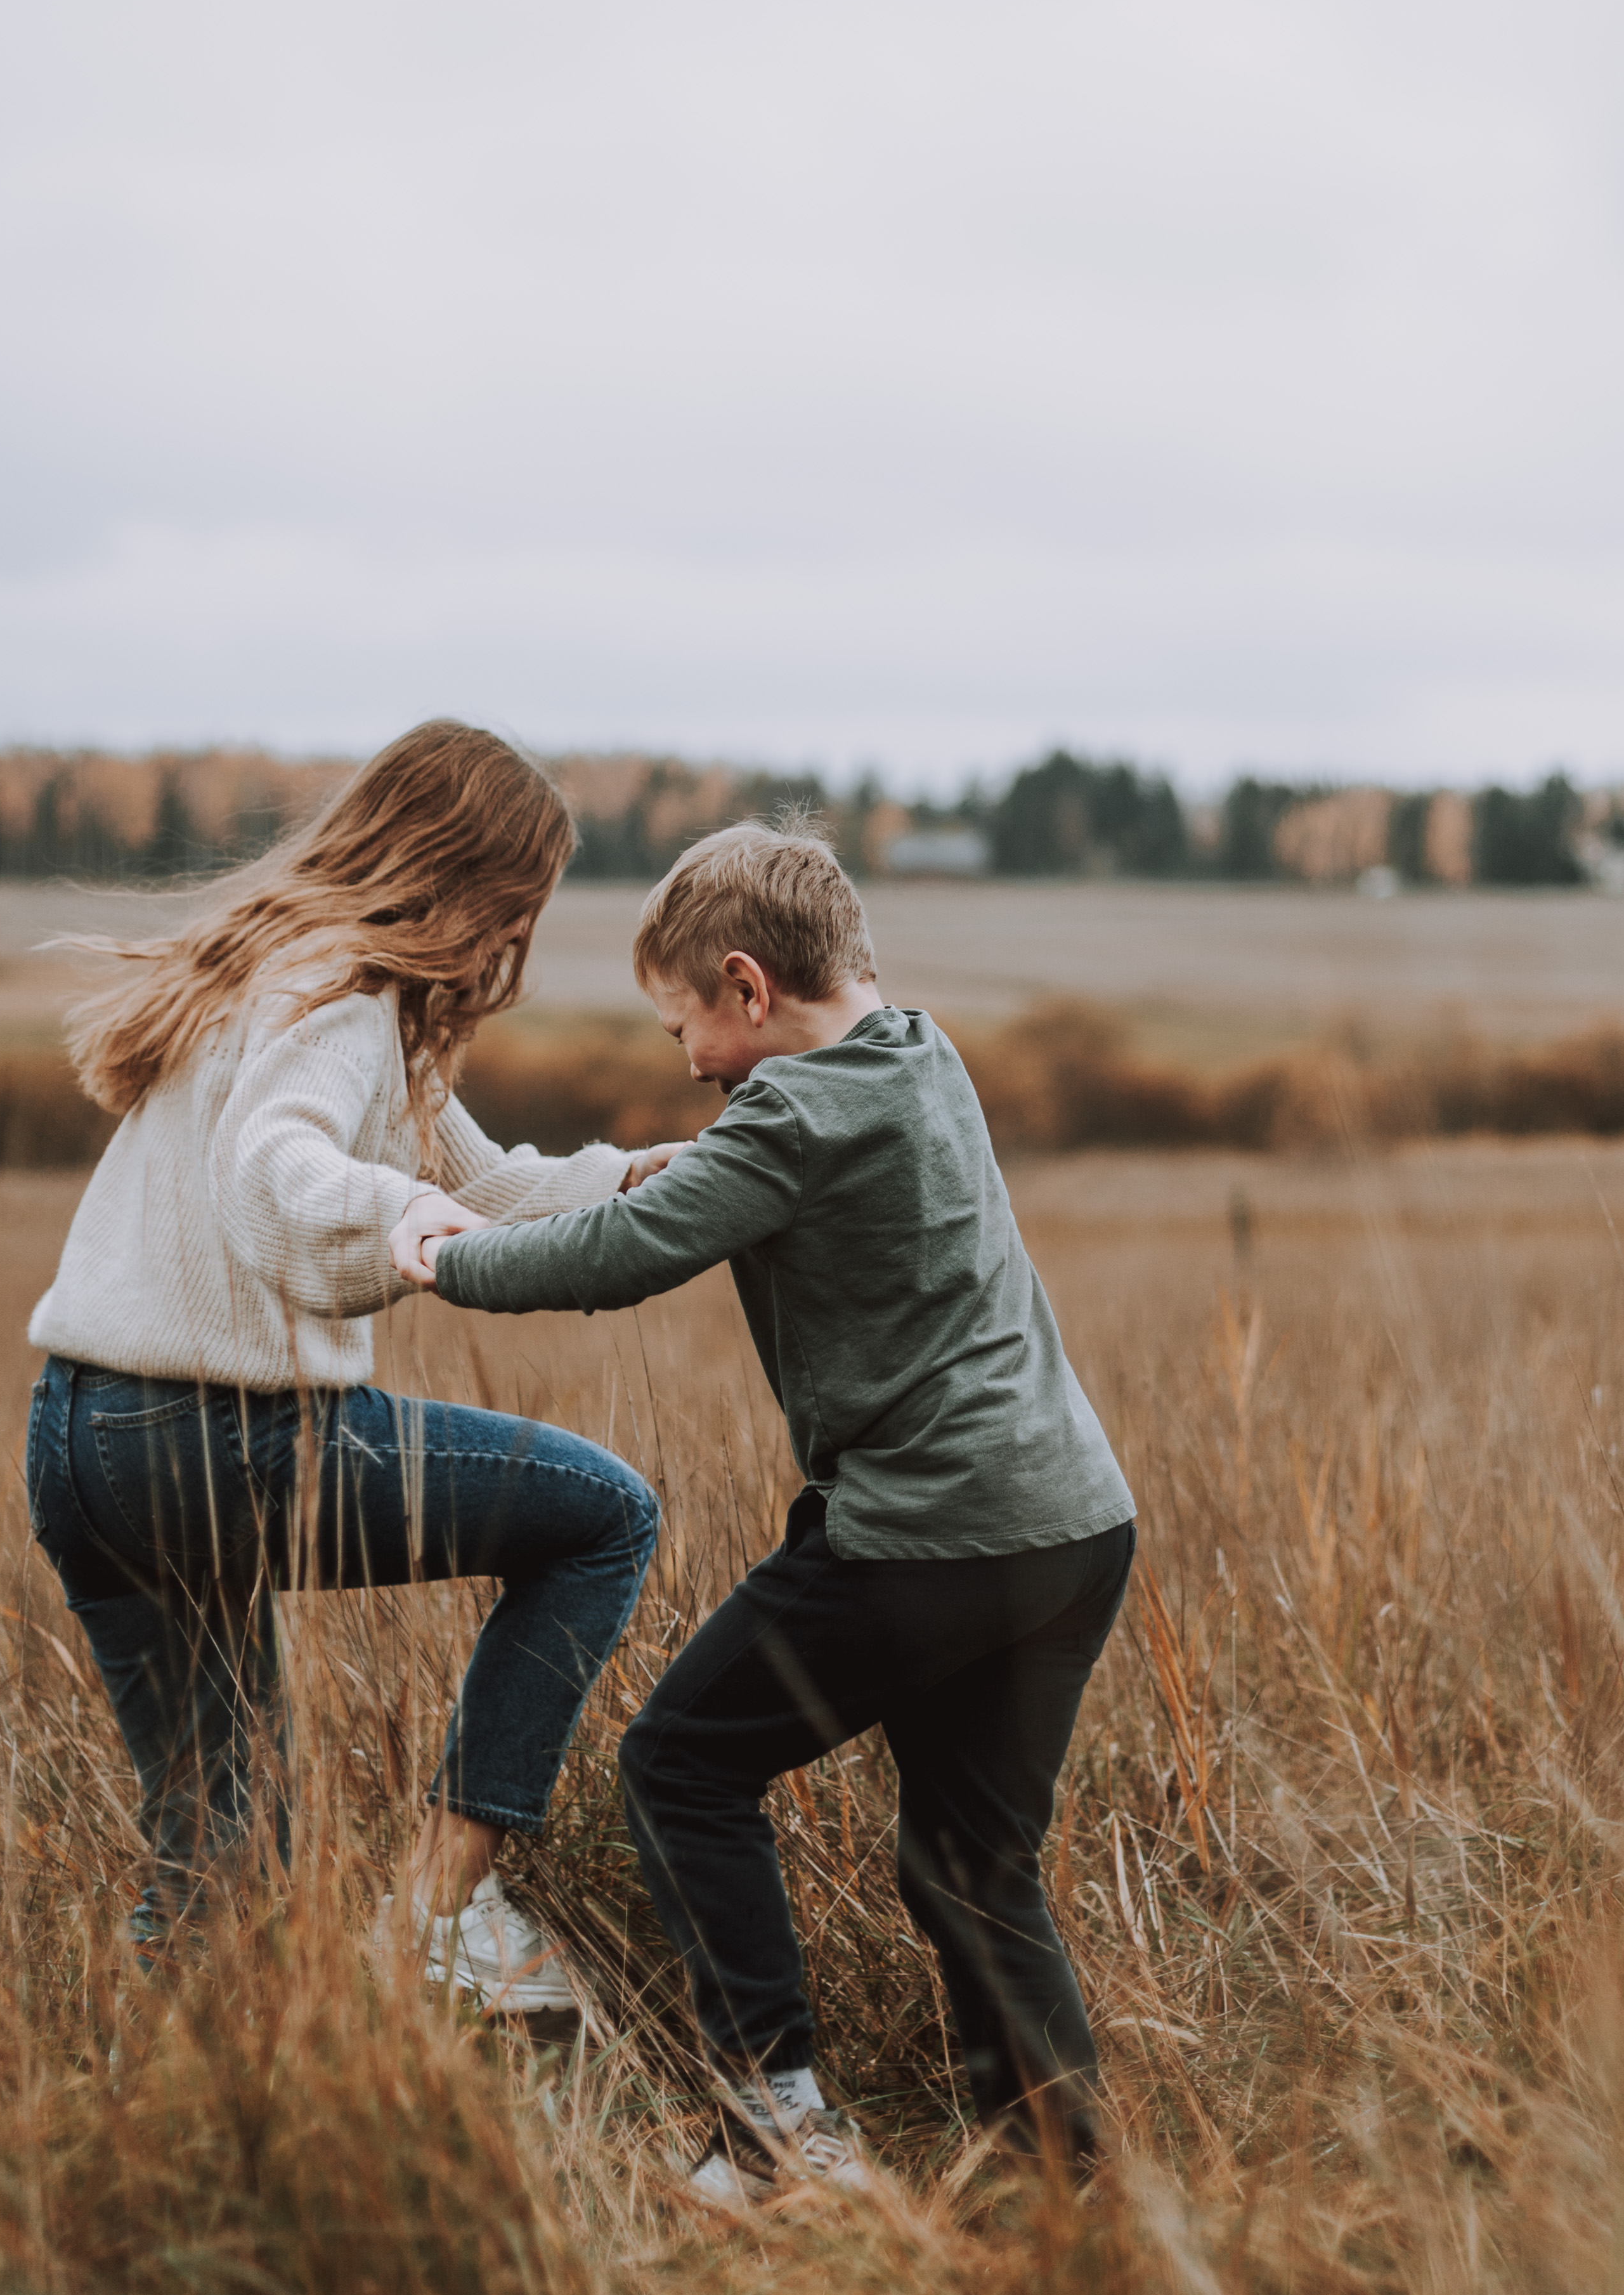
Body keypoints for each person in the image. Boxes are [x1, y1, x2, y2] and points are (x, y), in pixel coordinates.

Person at [393, 821, 1135, 2200]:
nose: (688, 1059)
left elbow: (617, 1260)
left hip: (933, 1532)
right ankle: (1055, 2181)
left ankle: (779, 2129)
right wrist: (686, 1165)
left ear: (747, 985)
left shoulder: (788, 1115)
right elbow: (759, 1177)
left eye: (686, 1022)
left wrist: (450, 1258)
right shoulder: (917, 1050)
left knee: (681, 1766)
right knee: (974, 1858)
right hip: (1074, 1527)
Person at [23, 719, 663, 2013]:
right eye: (516, 908)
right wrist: (393, 1221)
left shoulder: (272, 969)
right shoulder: (347, 995)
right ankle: (446, 1907)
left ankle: (143, 2136)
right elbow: (280, 1160)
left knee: (222, 1869)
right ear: (467, 876)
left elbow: (482, 1180)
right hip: (223, 1433)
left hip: (81, 1441)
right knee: (606, 1517)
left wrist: (641, 1179)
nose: (508, 946)